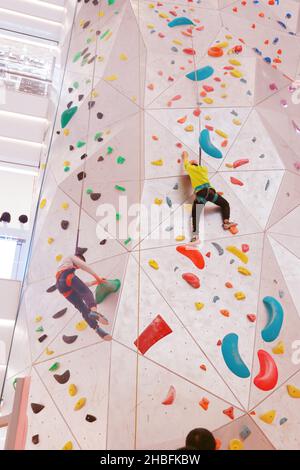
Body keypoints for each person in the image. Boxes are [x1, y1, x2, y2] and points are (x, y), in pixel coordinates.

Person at [183, 151, 237, 243]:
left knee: (195, 216)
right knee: (225, 204)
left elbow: (185, 164)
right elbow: (197, 168)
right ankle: (226, 222)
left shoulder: (190, 168)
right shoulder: (204, 169)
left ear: (192, 165)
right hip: (211, 193)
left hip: (201, 194)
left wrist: (185, 156)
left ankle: (195, 236)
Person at [56, 253, 112, 341]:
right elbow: (85, 267)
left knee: (82, 308)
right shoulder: (70, 257)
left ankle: (96, 328)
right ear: (77, 258)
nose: (78, 267)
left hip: (62, 288)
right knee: (86, 293)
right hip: (65, 277)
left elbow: (82, 285)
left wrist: (96, 282)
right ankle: (94, 312)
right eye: (80, 261)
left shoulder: (64, 267)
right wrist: (97, 277)